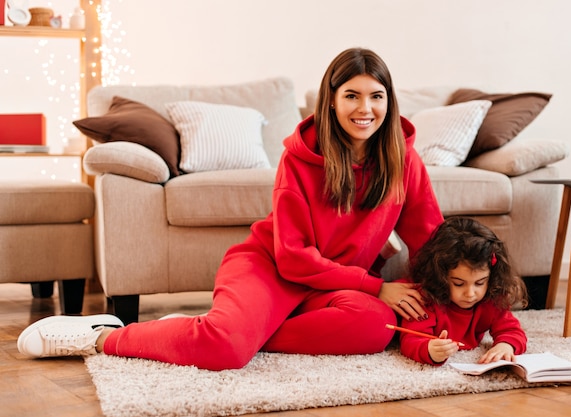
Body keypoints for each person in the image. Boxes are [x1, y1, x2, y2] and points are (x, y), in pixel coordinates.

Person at [17, 47, 443, 370]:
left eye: (376, 96)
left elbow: (435, 243)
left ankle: (217, 330)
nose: (365, 109)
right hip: (274, 269)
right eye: (352, 95)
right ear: (331, 101)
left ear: (390, 103)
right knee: (227, 351)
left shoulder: (404, 162)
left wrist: (498, 324)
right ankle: (105, 336)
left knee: (377, 329)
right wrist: (374, 286)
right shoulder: (299, 158)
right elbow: (293, 258)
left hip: (334, 287)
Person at [396, 216, 528, 366]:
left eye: (480, 283)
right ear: (440, 277)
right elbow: (409, 340)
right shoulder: (424, 298)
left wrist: (505, 345)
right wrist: (429, 350)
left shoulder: (492, 298)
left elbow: (512, 330)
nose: (470, 293)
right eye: (459, 284)